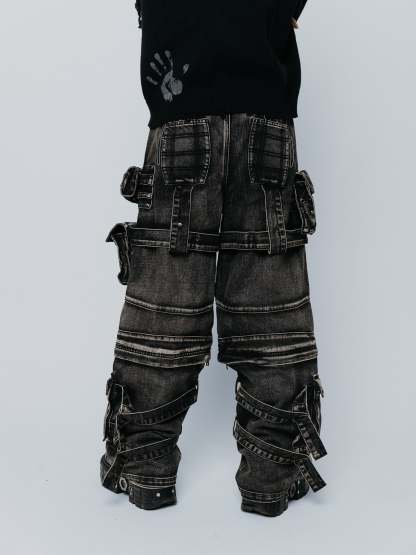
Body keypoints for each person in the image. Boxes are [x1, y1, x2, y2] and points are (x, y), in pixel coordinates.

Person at [100, 0, 327, 518]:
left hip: (180, 105)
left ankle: (146, 471)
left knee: (165, 302)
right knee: (271, 302)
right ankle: (270, 478)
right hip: (264, 111)